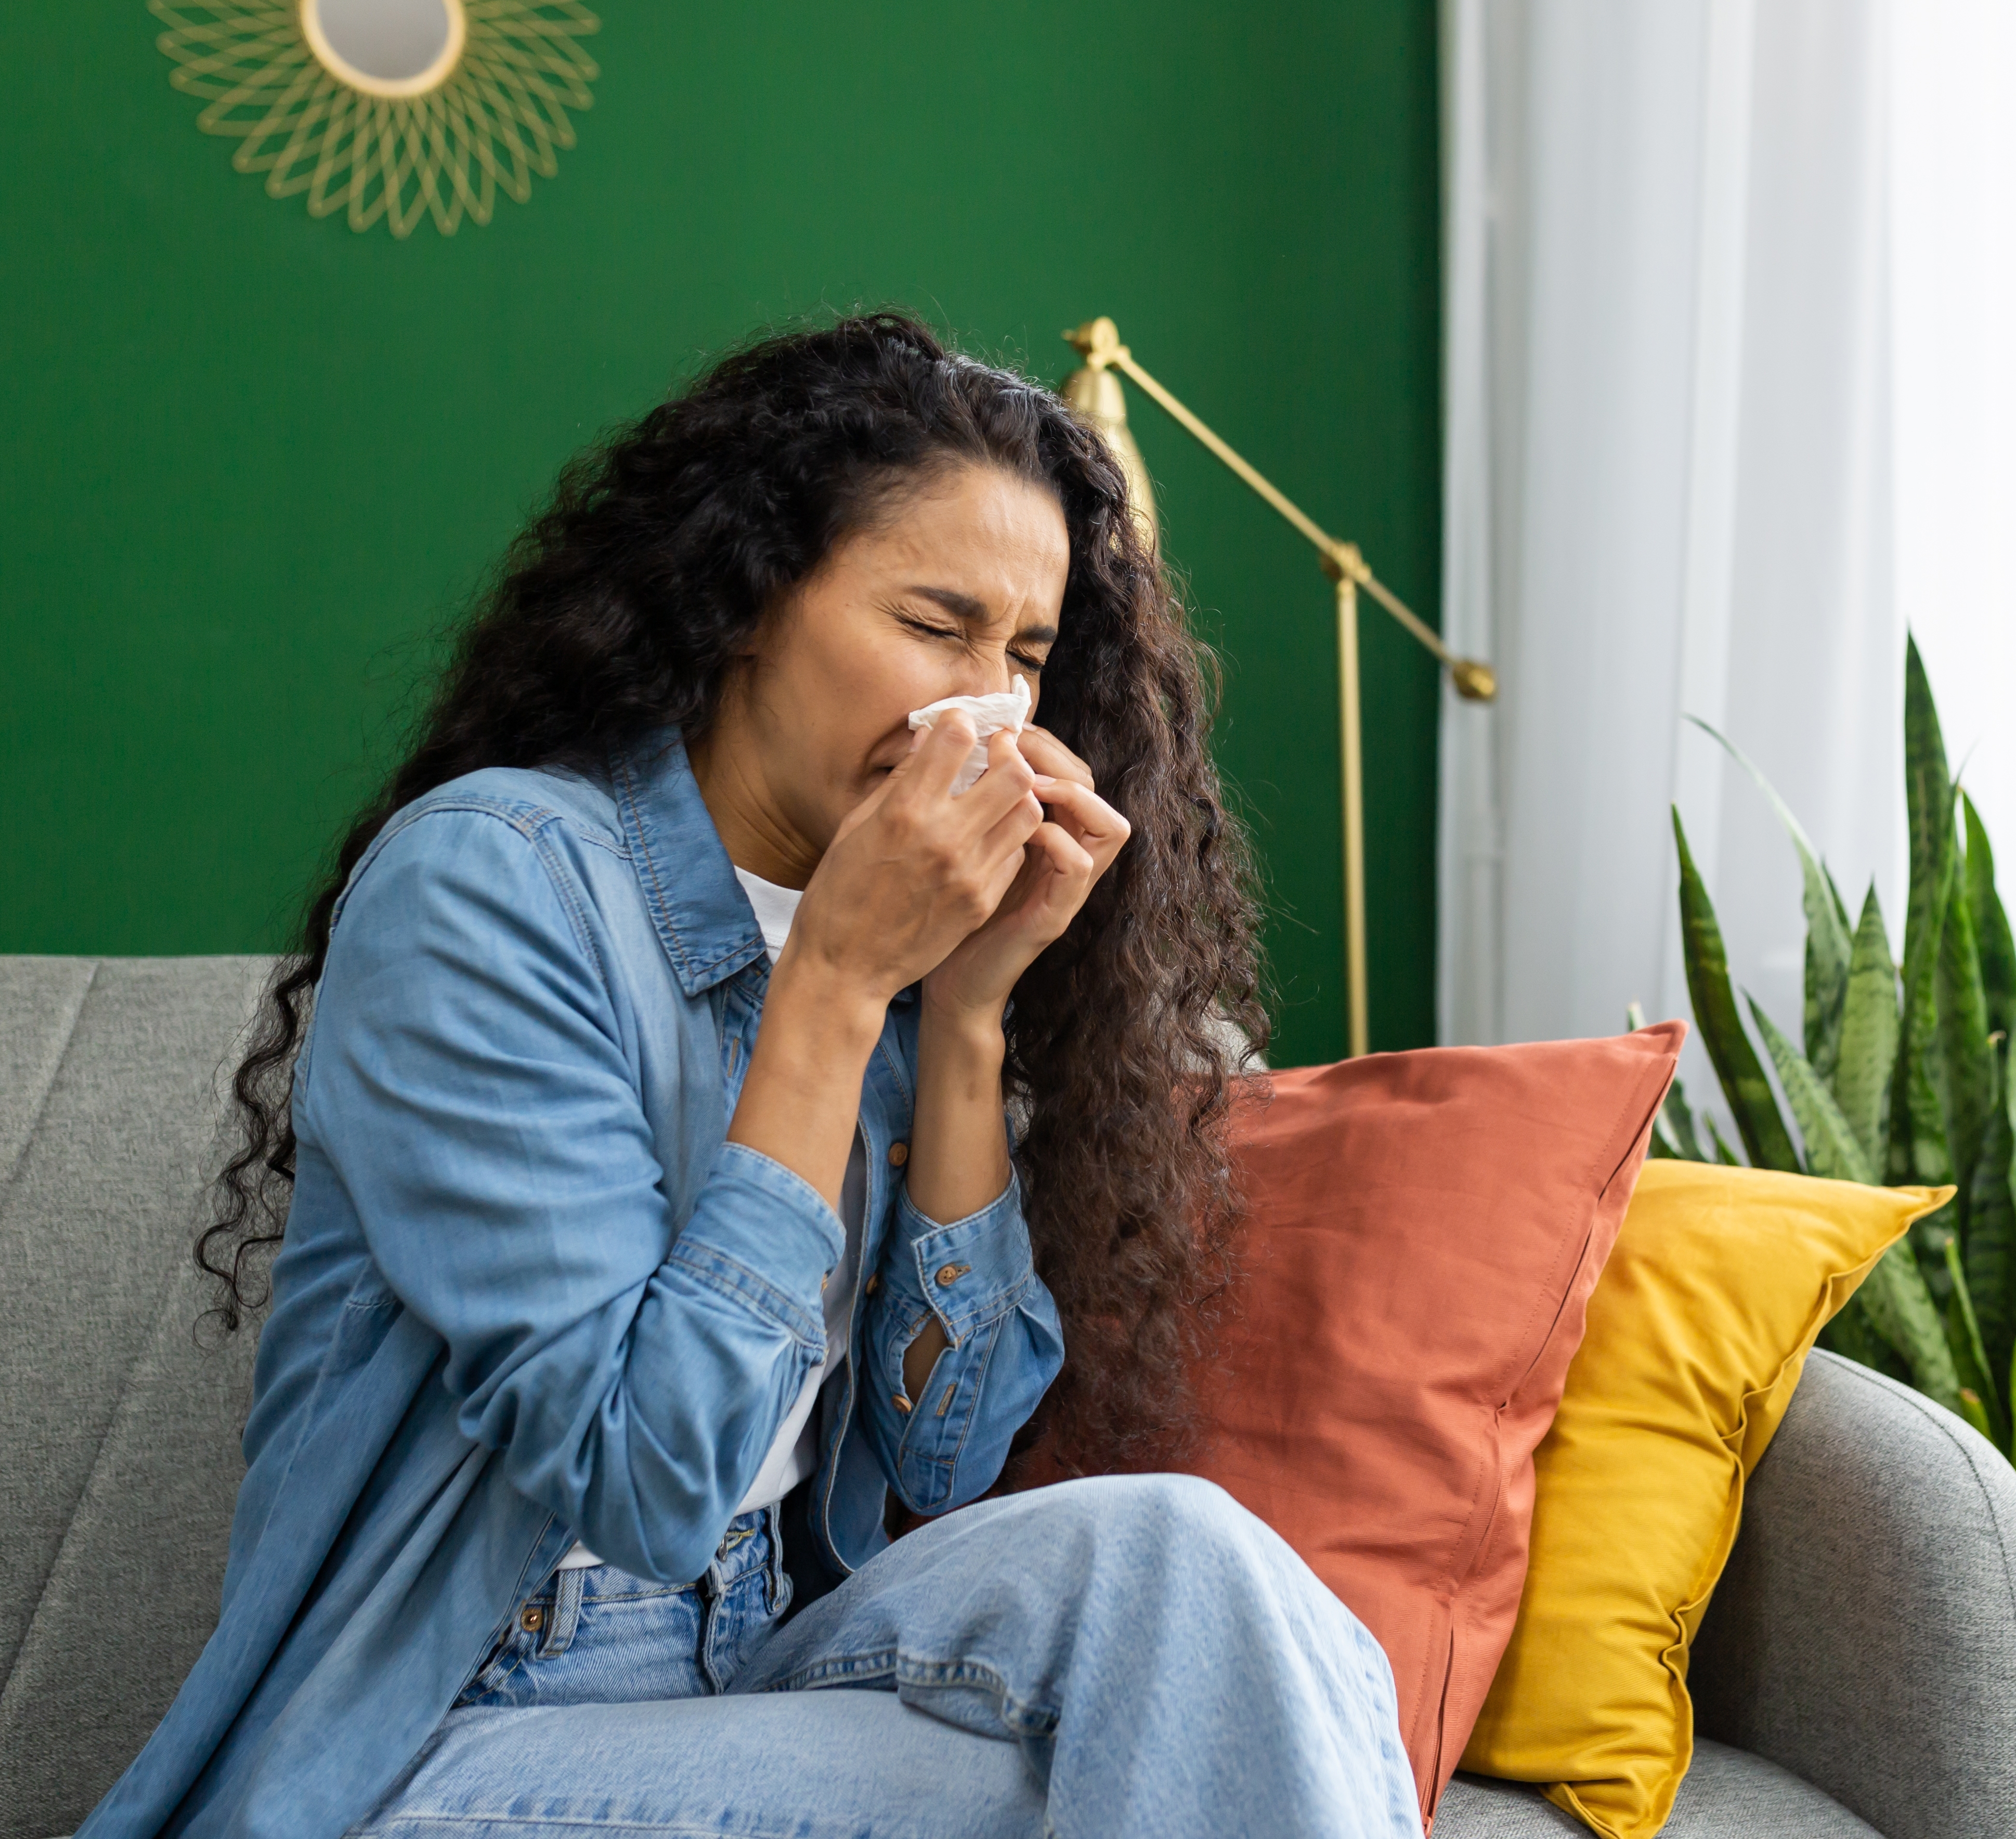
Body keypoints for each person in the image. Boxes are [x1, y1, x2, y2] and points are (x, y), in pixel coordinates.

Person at [76, 314, 1421, 1839]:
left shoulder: (895, 936)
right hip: (434, 1744)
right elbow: (649, 1479)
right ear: (742, 604)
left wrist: (969, 1010)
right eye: (935, 624)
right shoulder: (493, 886)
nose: (980, 708)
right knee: (1107, 1777)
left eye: (1026, 655)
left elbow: (942, 1450)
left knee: (1206, 1580)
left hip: (744, 1664)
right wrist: (836, 986)